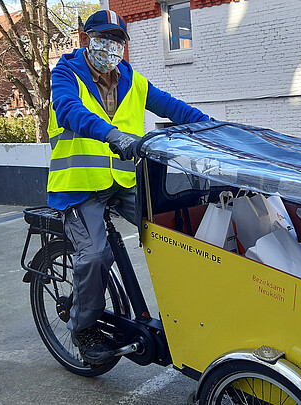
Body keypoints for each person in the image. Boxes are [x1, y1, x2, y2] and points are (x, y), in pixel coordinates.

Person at [46, 9, 209, 365]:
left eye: (118, 40)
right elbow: (69, 110)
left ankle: (190, 312)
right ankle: (83, 327)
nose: (111, 47)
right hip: (79, 186)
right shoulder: (65, 74)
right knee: (94, 256)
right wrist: (112, 134)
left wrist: (213, 128)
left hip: (122, 182)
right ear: (87, 39)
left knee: (177, 228)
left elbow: (173, 107)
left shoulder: (132, 80)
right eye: (104, 38)